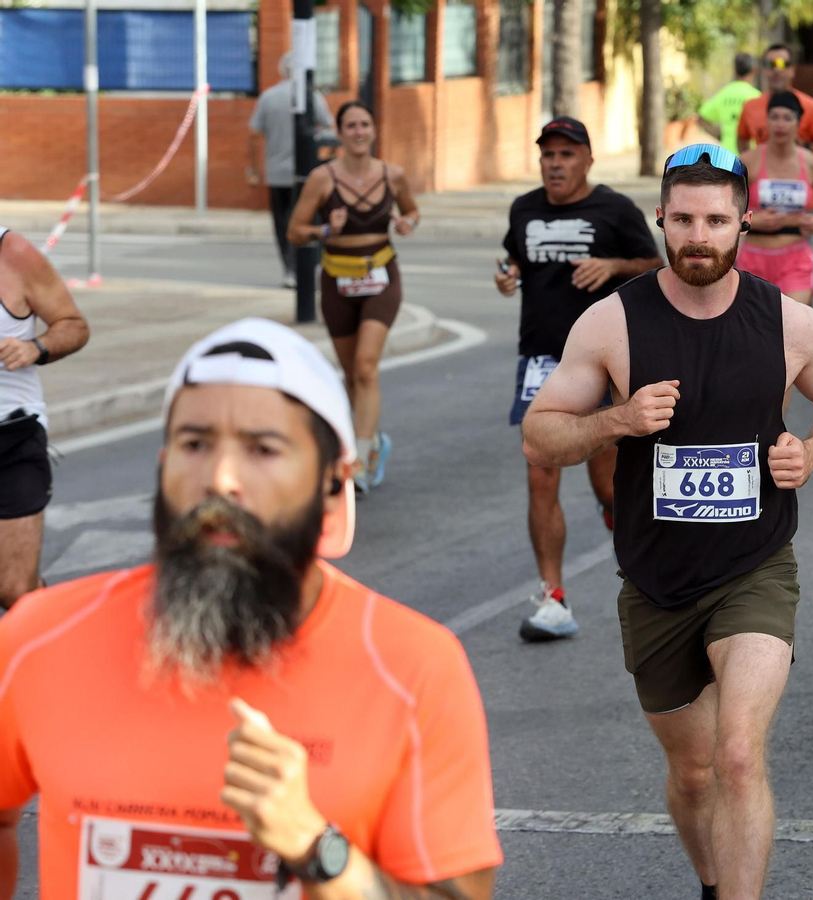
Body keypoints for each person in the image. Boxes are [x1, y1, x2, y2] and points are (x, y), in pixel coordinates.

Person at [0, 318, 502, 900]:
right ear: (163, 464)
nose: (221, 479)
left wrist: (320, 853)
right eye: (195, 444)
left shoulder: (415, 667)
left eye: (264, 449)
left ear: (333, 484)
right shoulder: (40, 637)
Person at [520, 144, 813, 900]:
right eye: (683, 219)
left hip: (754, 567)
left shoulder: (789, 323)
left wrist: (810, 453)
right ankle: (714, 882)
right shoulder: (612, 323)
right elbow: (540, 433)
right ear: (661, 221)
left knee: (739, 754)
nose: (699, 236)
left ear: (743, 221)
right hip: (656, 582)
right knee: (693, 771)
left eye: (716, 219)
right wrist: (616, 419)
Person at [495, 116, 662, 643]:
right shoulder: (524, 209)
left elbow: (655, 267)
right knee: (539, 468)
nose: (556, 163)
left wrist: (612, 266)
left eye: (567, 154)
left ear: (588, 159)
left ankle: (640, 563)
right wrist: (508, 275)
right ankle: (554, 598)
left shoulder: (613, 209)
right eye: (548, 154)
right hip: (541, 360)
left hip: (598, 361)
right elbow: (514, 257)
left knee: (607, 483)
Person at [287, 101, 419, 494]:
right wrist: (325, 230)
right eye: (351, 125)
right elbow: (295, 230)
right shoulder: (321, 179)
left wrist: (406, 222)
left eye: (365, 124)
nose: (359, 131)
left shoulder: (393, 175)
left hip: (380, 276)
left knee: (365, 366)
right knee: (350, 375)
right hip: (337, 281)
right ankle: (373, 439)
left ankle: (358, 459)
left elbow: (412, 211)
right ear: (340, 133)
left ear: (374, 129)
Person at [0, 227, 88, 609]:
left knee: (15, 590)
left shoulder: (13, 253)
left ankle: (58, 646)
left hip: (11, 434)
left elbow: (74, 325)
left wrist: (35, 348)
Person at [737, 91, 813, 308]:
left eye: (787, 118)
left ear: (798, 123)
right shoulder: (747, 162)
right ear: (766, 121)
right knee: (751, 331)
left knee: (791, 325)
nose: (780, 124)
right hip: (753, 258)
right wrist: (752, 220)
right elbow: (725, 210)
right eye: (774, 117)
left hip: (795, 258)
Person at [245, 53, 334, 288]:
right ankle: (310, 264)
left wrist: (254, 169)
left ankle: (290, 269)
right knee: (308, 218)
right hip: (307, 173)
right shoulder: (311, 96)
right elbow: (328, 127)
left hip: (276, 173)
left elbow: (254, 134)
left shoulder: (268, 97)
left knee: (283, 223)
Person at [737, 44, 813, 163]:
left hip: (800, 175)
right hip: (765, 176)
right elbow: (742, 140)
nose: (777, 70)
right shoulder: (750, 107)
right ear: (763, 70)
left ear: (792, 70)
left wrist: (804, 146)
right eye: (770, 64)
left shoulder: (812, 107)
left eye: (783, 64)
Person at [698, 53, 762, 152]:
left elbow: (701, 118)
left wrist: (719, 135)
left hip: (727, 157)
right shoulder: (757, 96)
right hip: (750, 155)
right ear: (754, 70)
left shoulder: (724, 94)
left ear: (735, 70)